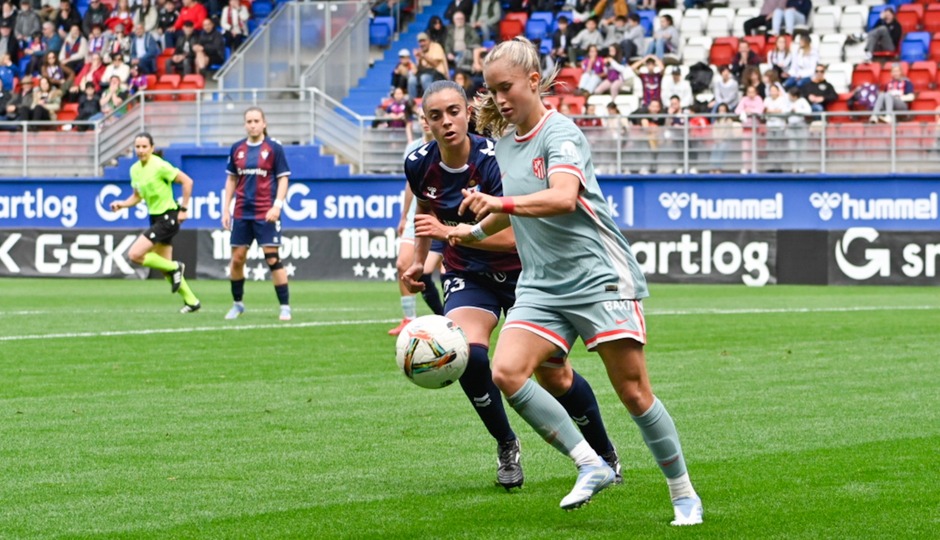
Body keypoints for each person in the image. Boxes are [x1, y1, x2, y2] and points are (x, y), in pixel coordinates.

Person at [451, 37, 703, 523]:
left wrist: (497, 204)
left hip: (598, 277)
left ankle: (683, 492)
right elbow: (521, 208)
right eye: (491, 90)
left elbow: (562, 197)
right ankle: (590, 463)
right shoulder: (505, 144)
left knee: (633, 392)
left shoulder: (560, 134)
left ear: (533, 80)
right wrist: (474, 231)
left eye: (507, 87)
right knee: (505, 371)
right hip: (543, 285)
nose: (500, 99)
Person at [402, 79, 625, 492]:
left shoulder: (494, 160)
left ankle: (603, 450)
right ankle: (506, 444)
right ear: (426, 122)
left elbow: (517, 232)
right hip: (469, 274)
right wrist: (418, 263)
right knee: (466, 353)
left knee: (552, 375)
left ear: (468, 111)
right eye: (436, 116)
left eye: (454, 111)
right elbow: (425, 210)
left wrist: (454, 233)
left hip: (528, 271)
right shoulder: (418, 162)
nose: (447, 121)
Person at [109, 132, 201, 313]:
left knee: (135, 254)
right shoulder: (134, 169)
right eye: (137, 147)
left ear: (151, 148)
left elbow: (187, 181)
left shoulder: (160, 166)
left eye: (144, 147)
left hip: (168, 217)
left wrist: (184, 209)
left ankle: (177, 267)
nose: (141, 150)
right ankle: (192, 301)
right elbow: (137, 196)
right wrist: (122, 204)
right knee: (165, 267)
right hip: (155, 218)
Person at [221, 107, 293, 321]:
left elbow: (283, 178)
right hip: (242, 212)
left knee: (272, 259)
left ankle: (285, 307)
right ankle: (237, 304)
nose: (252, 124)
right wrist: (226, 209)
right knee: (237, 260)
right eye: (249, 121)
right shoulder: (237, 149)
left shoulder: (274, 148)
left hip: (266, 212)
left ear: (264, 123)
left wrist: (277, 205)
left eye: (256, 120)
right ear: (245, 124)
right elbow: (231, 179)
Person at [389, 106, 445, 336]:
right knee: (403, 265)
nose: (424, 122)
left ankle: (446, 318)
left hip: (440, 216)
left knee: (437, 270)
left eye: (427, 117)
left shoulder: (446, 145)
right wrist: (403, 216)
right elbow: (410, 186)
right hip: (416, 215)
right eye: (421, 118)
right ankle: (409, 318)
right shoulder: (413, 149)